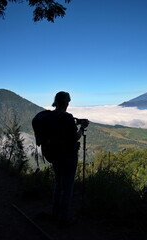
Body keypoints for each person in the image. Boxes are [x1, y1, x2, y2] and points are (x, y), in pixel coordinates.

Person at [49, 91, 89, 227]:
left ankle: (54, 214)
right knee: (67, 188)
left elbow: (61, 131)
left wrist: (75, 123)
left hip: (54, 155)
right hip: (68, 156)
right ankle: (64, 219)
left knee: (58, 184)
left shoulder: (50, 116)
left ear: (56, 101)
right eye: (68, 101)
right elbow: (75, 136)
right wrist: (82, 128)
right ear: (66, 102)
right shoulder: (67, 117)